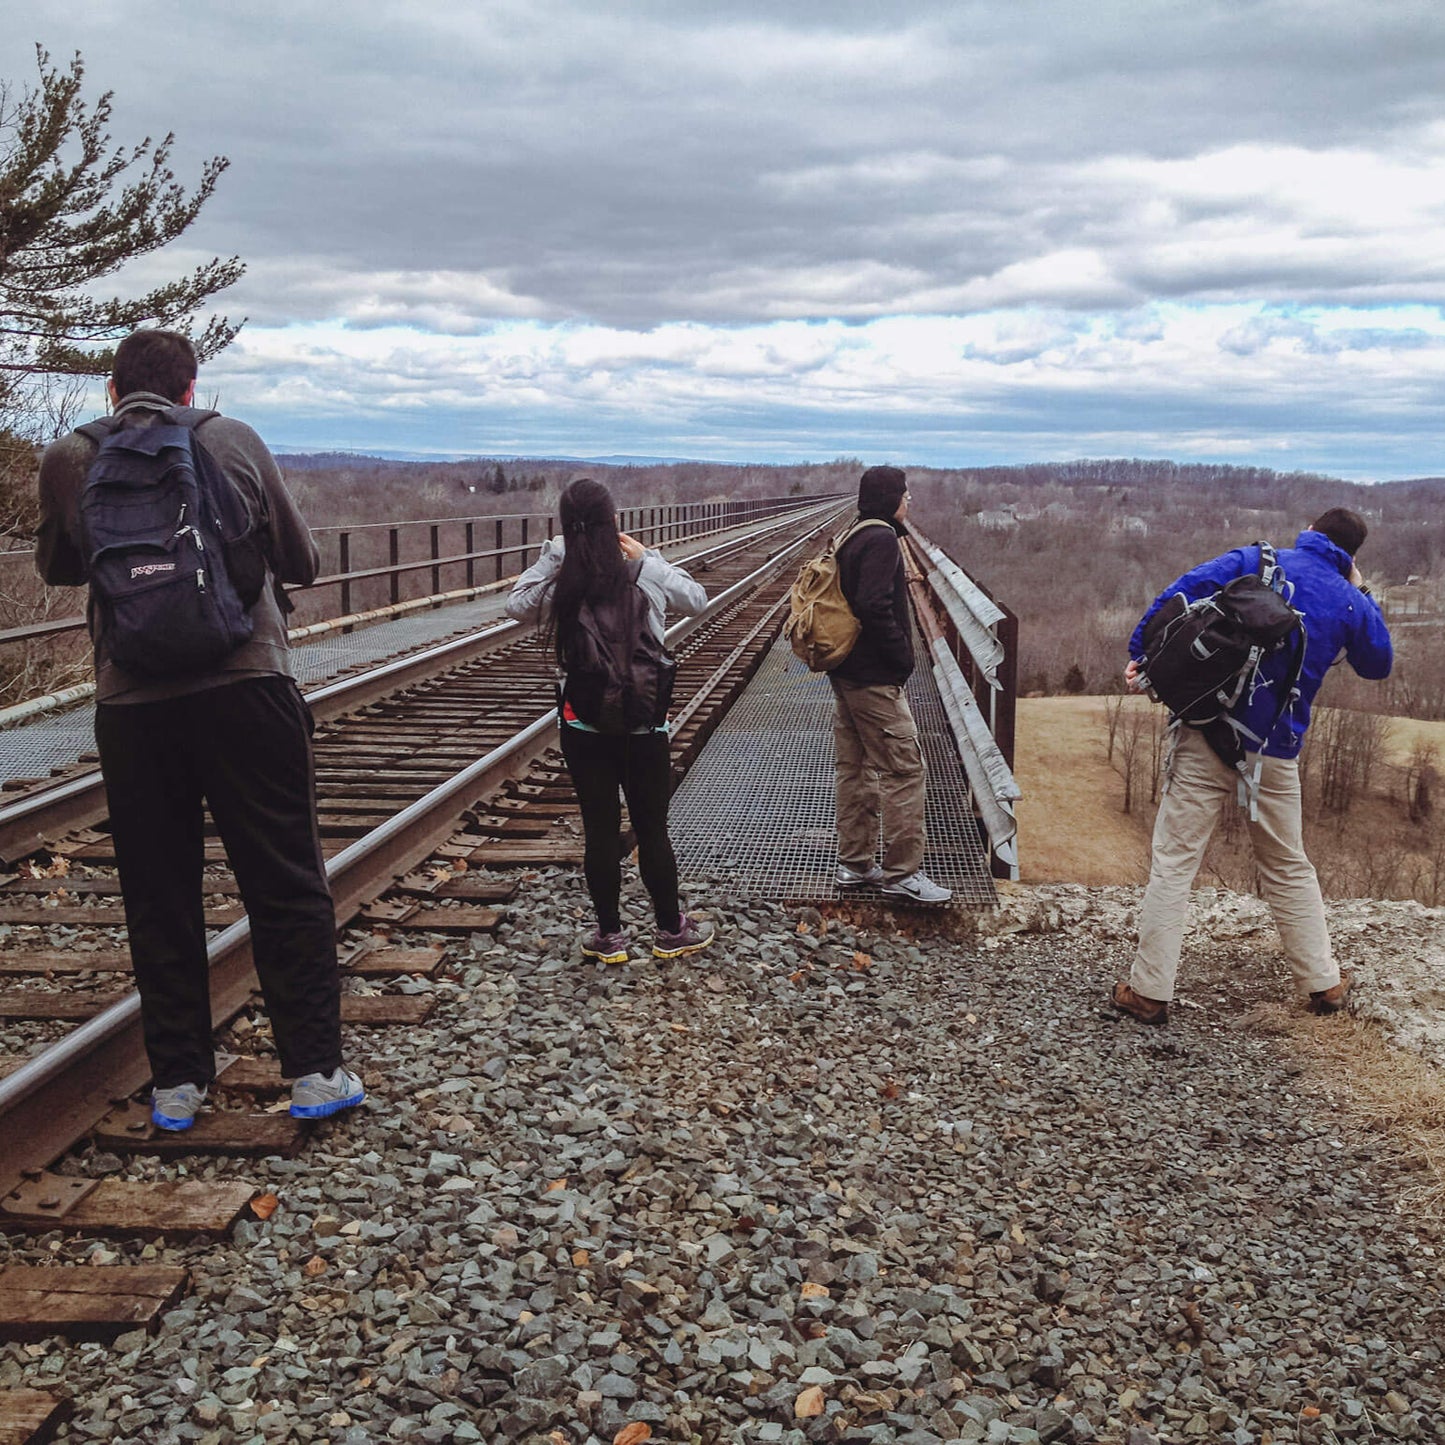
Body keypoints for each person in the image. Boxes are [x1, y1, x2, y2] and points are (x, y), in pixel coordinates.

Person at [35, 329, 364, 1129]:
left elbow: (59, 566)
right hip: (246, 684)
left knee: (159, 891)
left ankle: (178, 1083)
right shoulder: (231, 440)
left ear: (112, 392)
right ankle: (315, 1070)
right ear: (191, 387)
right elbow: (304, 561)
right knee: (285, 879)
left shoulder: (71, 456)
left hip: (133, 703)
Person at [1113, 508, 1393, 1025]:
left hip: (1207, 732)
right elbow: (1379, 662)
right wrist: (1362, 587)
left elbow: (1176, 595)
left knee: (1175, 861)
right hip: (1276, 749)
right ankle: (1324, 984)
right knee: (1288, 866)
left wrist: (1140, 655)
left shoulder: (1257, 560)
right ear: (1351, 554)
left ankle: (1149, 992)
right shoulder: (1347, 598)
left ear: (1310, 528)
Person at [507, 477, 714, 963]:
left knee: (599, 829)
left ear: (566, 527)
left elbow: (515, 604)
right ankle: (670, 930)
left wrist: (556, 555)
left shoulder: (562, 580)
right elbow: (698, 600)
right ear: (614, 521)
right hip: (645, 725)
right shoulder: (645, 572)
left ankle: (609, 937)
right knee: (652, 827)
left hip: (583, 726)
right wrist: (653, 556)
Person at [828, 466, 951, 903]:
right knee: (904, 769)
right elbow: (873, 605)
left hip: (847, 673)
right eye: (906, 495)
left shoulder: (855, 533)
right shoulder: (881, 539)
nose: (909, 502)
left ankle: (855, 864)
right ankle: (902, 875)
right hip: (873, 679)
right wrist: (901, 657)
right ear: (891, 498)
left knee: (856, 767)